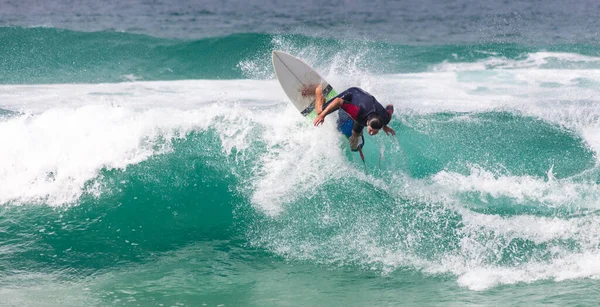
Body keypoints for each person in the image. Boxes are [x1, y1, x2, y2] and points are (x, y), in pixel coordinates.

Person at [307, 84, 396, 150]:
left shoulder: (385, 118)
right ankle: (318, 90)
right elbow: (338, 101)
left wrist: (384, 126)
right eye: (371, 129)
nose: (372, 133)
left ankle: (355, 132)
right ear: (368, 123)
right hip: (353, 94)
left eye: (375, 131)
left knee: (356, 134)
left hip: (364, 106)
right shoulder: (357, 112)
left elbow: (390, 106)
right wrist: (323, 115)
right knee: (319, 111)